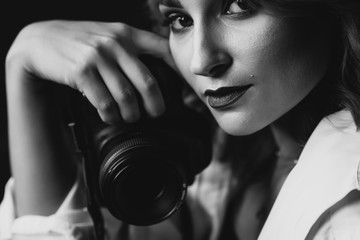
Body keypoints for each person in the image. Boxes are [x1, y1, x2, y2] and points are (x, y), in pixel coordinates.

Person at [1, 0, 360, 239]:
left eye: (238, 5)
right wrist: (22, 69)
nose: (200, 61)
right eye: (180, 19)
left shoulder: (349, 208)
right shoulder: (226, 161)